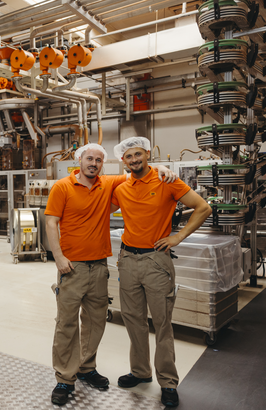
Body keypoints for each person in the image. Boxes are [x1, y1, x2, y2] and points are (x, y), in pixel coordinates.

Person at [45, 143, 177, 405]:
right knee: (67, 324)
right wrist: (58, 257)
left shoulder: (108, 183)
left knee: (96, 322)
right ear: (79, 159)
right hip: (71, 267)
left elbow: (138, 172)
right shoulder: (62, 187)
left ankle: (86, 367)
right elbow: (51, 221)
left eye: (98, 160)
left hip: (99, 267)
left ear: (102, 164)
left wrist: (162, 168)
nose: (93, 163)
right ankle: (64, 378)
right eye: (89, 158)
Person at [110, 137, 211, 408]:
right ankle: (140, 371)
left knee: (162, 323)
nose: (134, 160)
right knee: (133, 319)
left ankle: (167, 381)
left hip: (157, 261)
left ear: (147, 154)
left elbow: (203, 208)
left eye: (138, 155)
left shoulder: (166, 181)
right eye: (129, 157)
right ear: (124, 161)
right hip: (128, 260)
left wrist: (177, 238)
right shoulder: (121, 186)